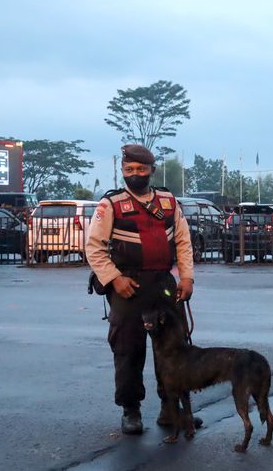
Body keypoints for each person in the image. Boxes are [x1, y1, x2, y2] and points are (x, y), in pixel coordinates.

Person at [86, 144, 196, 436]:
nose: (135, 175)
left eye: (141, 169)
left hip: (163, 284)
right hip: (127, 287)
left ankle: (170, 409)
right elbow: (94, 248)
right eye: (129, 170)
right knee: (128, 350)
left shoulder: (169, 202)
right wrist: (114, 279)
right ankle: (130, 410)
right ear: (122, 172)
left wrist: (187, 279)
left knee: (173, 349)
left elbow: (183, 242)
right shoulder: (110, 205)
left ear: (151, 171)